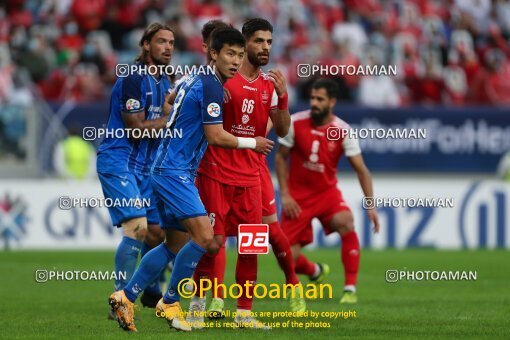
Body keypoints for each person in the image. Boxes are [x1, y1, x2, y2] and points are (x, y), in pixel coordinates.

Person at [108, 26, 274, 332]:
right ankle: (170, 301)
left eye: (240, 55)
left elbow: (173, 103)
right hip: (175, 172)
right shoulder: (211, 85)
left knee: (174, 244)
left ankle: (126, 296)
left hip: (167, 169)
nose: (236, 61)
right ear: (213, 53)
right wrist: (253, 143)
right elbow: (214, 135)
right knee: (206, 237)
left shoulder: (197, 78)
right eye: (230, 54)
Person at [190, 18, 292, 329]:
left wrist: (284, 97)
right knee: (211, 243)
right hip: (215, 173)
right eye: (258, 41)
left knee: (251, 247)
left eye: (269, 42)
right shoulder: (220, 81)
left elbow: (284, 130)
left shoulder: (268, 86)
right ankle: (196, 306)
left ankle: (244, 313)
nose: (265, 47)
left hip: (250, 178)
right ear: (243, 43)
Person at [275, 78, 380, 304]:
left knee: (346, 221)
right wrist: (285, 194)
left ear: (332, 102)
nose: (314, 103)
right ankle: (314, 270)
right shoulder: (295, 122)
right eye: (312, 98)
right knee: (285, 257)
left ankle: (350, 289)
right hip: (298, 197)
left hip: (326, 194)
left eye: (320, 99)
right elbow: (280, 158)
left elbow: (362, 170)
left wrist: (370, 205)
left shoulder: (342, 130)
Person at [96, 22, 173, 315]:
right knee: (138, 229)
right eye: (161, 41)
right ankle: (120, 301)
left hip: (146, 168)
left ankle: (151, 291)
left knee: (160, 234)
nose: (168, 47)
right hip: (119, 161)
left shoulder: (165, 81)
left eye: (172, 42)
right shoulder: (133, 78)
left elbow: (163, 124)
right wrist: (172, 121)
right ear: (146, 45)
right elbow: (136, 129)